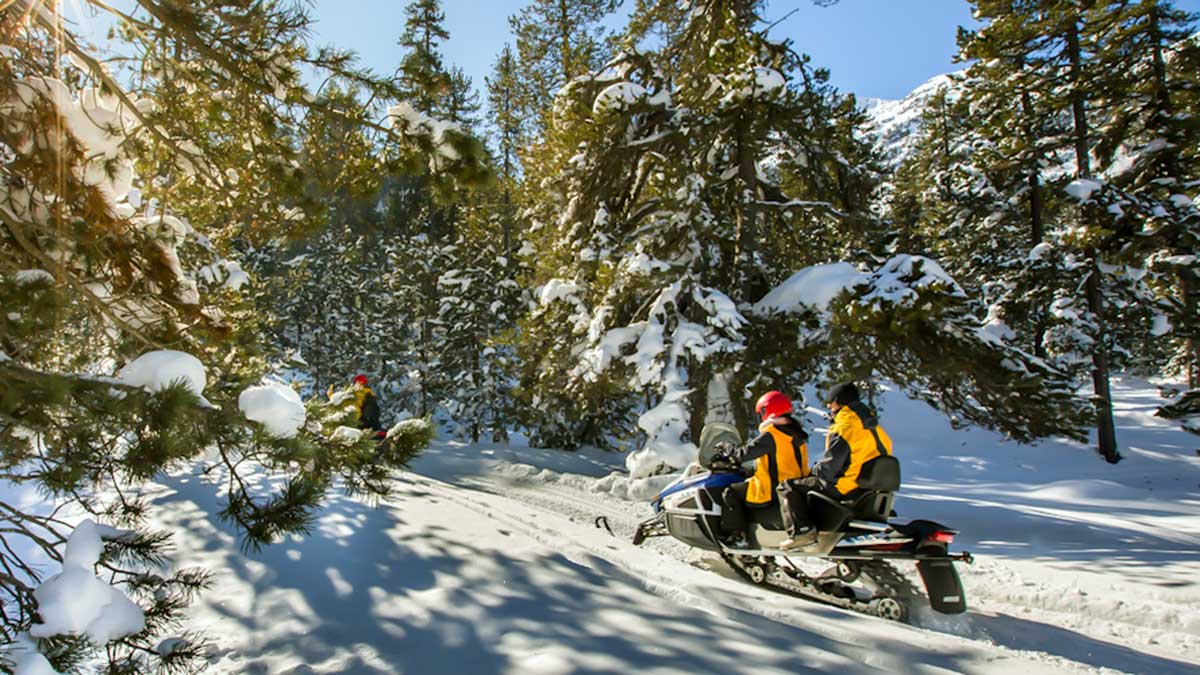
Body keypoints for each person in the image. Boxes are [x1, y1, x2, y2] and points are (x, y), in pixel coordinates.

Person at [777, 381, 895, 549]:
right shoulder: (876, 429)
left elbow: (829, 468)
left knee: (787, 487)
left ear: (839, 401)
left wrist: (813, 471)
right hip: (868, 490)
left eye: (830, 402)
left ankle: (802, 533)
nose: (829, 407)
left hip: (846, 487)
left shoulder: (845, 427)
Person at [708, 391, 810, 548]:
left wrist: (727, 448)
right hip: (793, 487)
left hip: (773, 489)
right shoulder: (796, 433)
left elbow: (744, 454)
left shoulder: (772, 435)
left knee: (731, 492)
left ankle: (736, 536)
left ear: (766, 411)